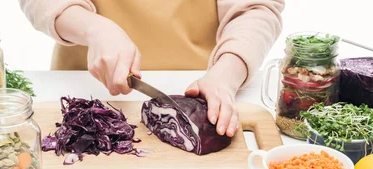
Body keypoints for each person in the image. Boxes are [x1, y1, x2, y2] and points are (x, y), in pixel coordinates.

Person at [18, 0, 285, 137]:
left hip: (202, 84)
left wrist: (227, 74)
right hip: (88, 83)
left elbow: (255, 9)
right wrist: (94, 28)